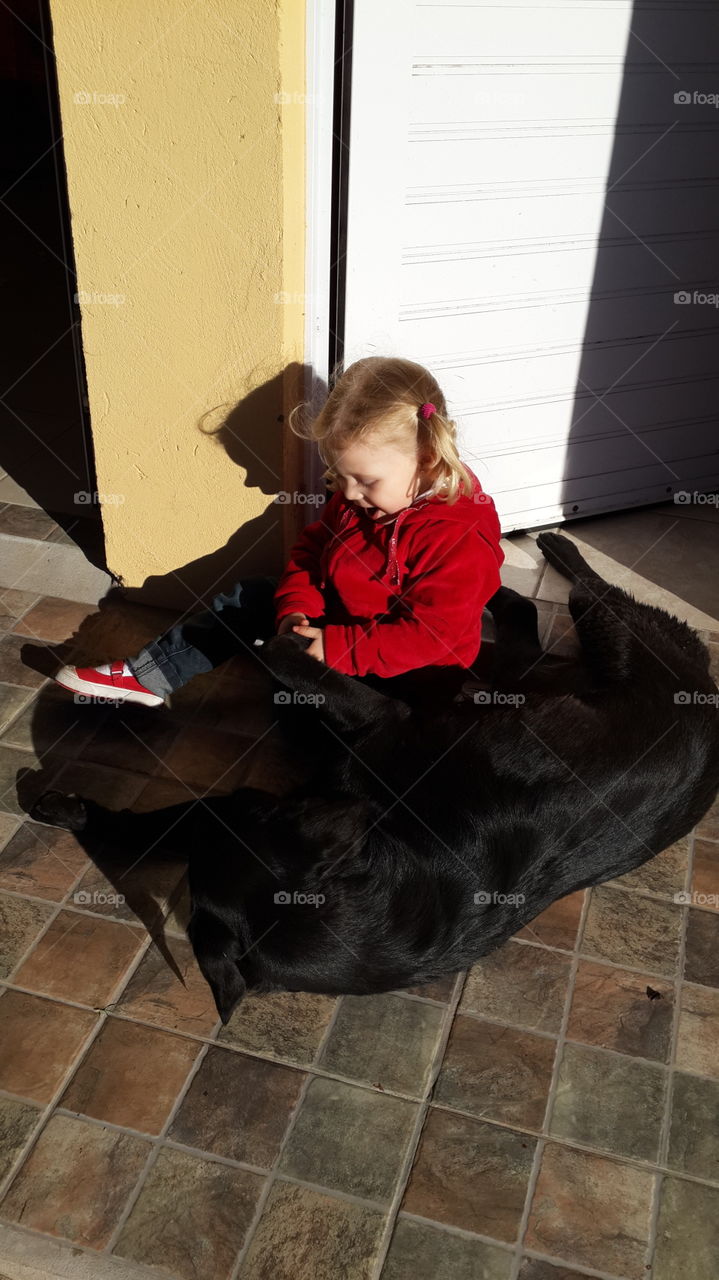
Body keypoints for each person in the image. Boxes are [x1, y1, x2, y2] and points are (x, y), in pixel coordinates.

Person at [53, 356, 505, 712]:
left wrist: (339, 648)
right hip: (343, 633)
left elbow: (433, 637)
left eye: (365, 481)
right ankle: (148, 677)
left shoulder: (460, 534)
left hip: (410, 671)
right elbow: (311, 553)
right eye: (339, 475)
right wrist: (297, 608)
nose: (347, 492)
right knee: (251, 598)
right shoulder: (357, 500)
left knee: (344, 739)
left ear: (427, 458)